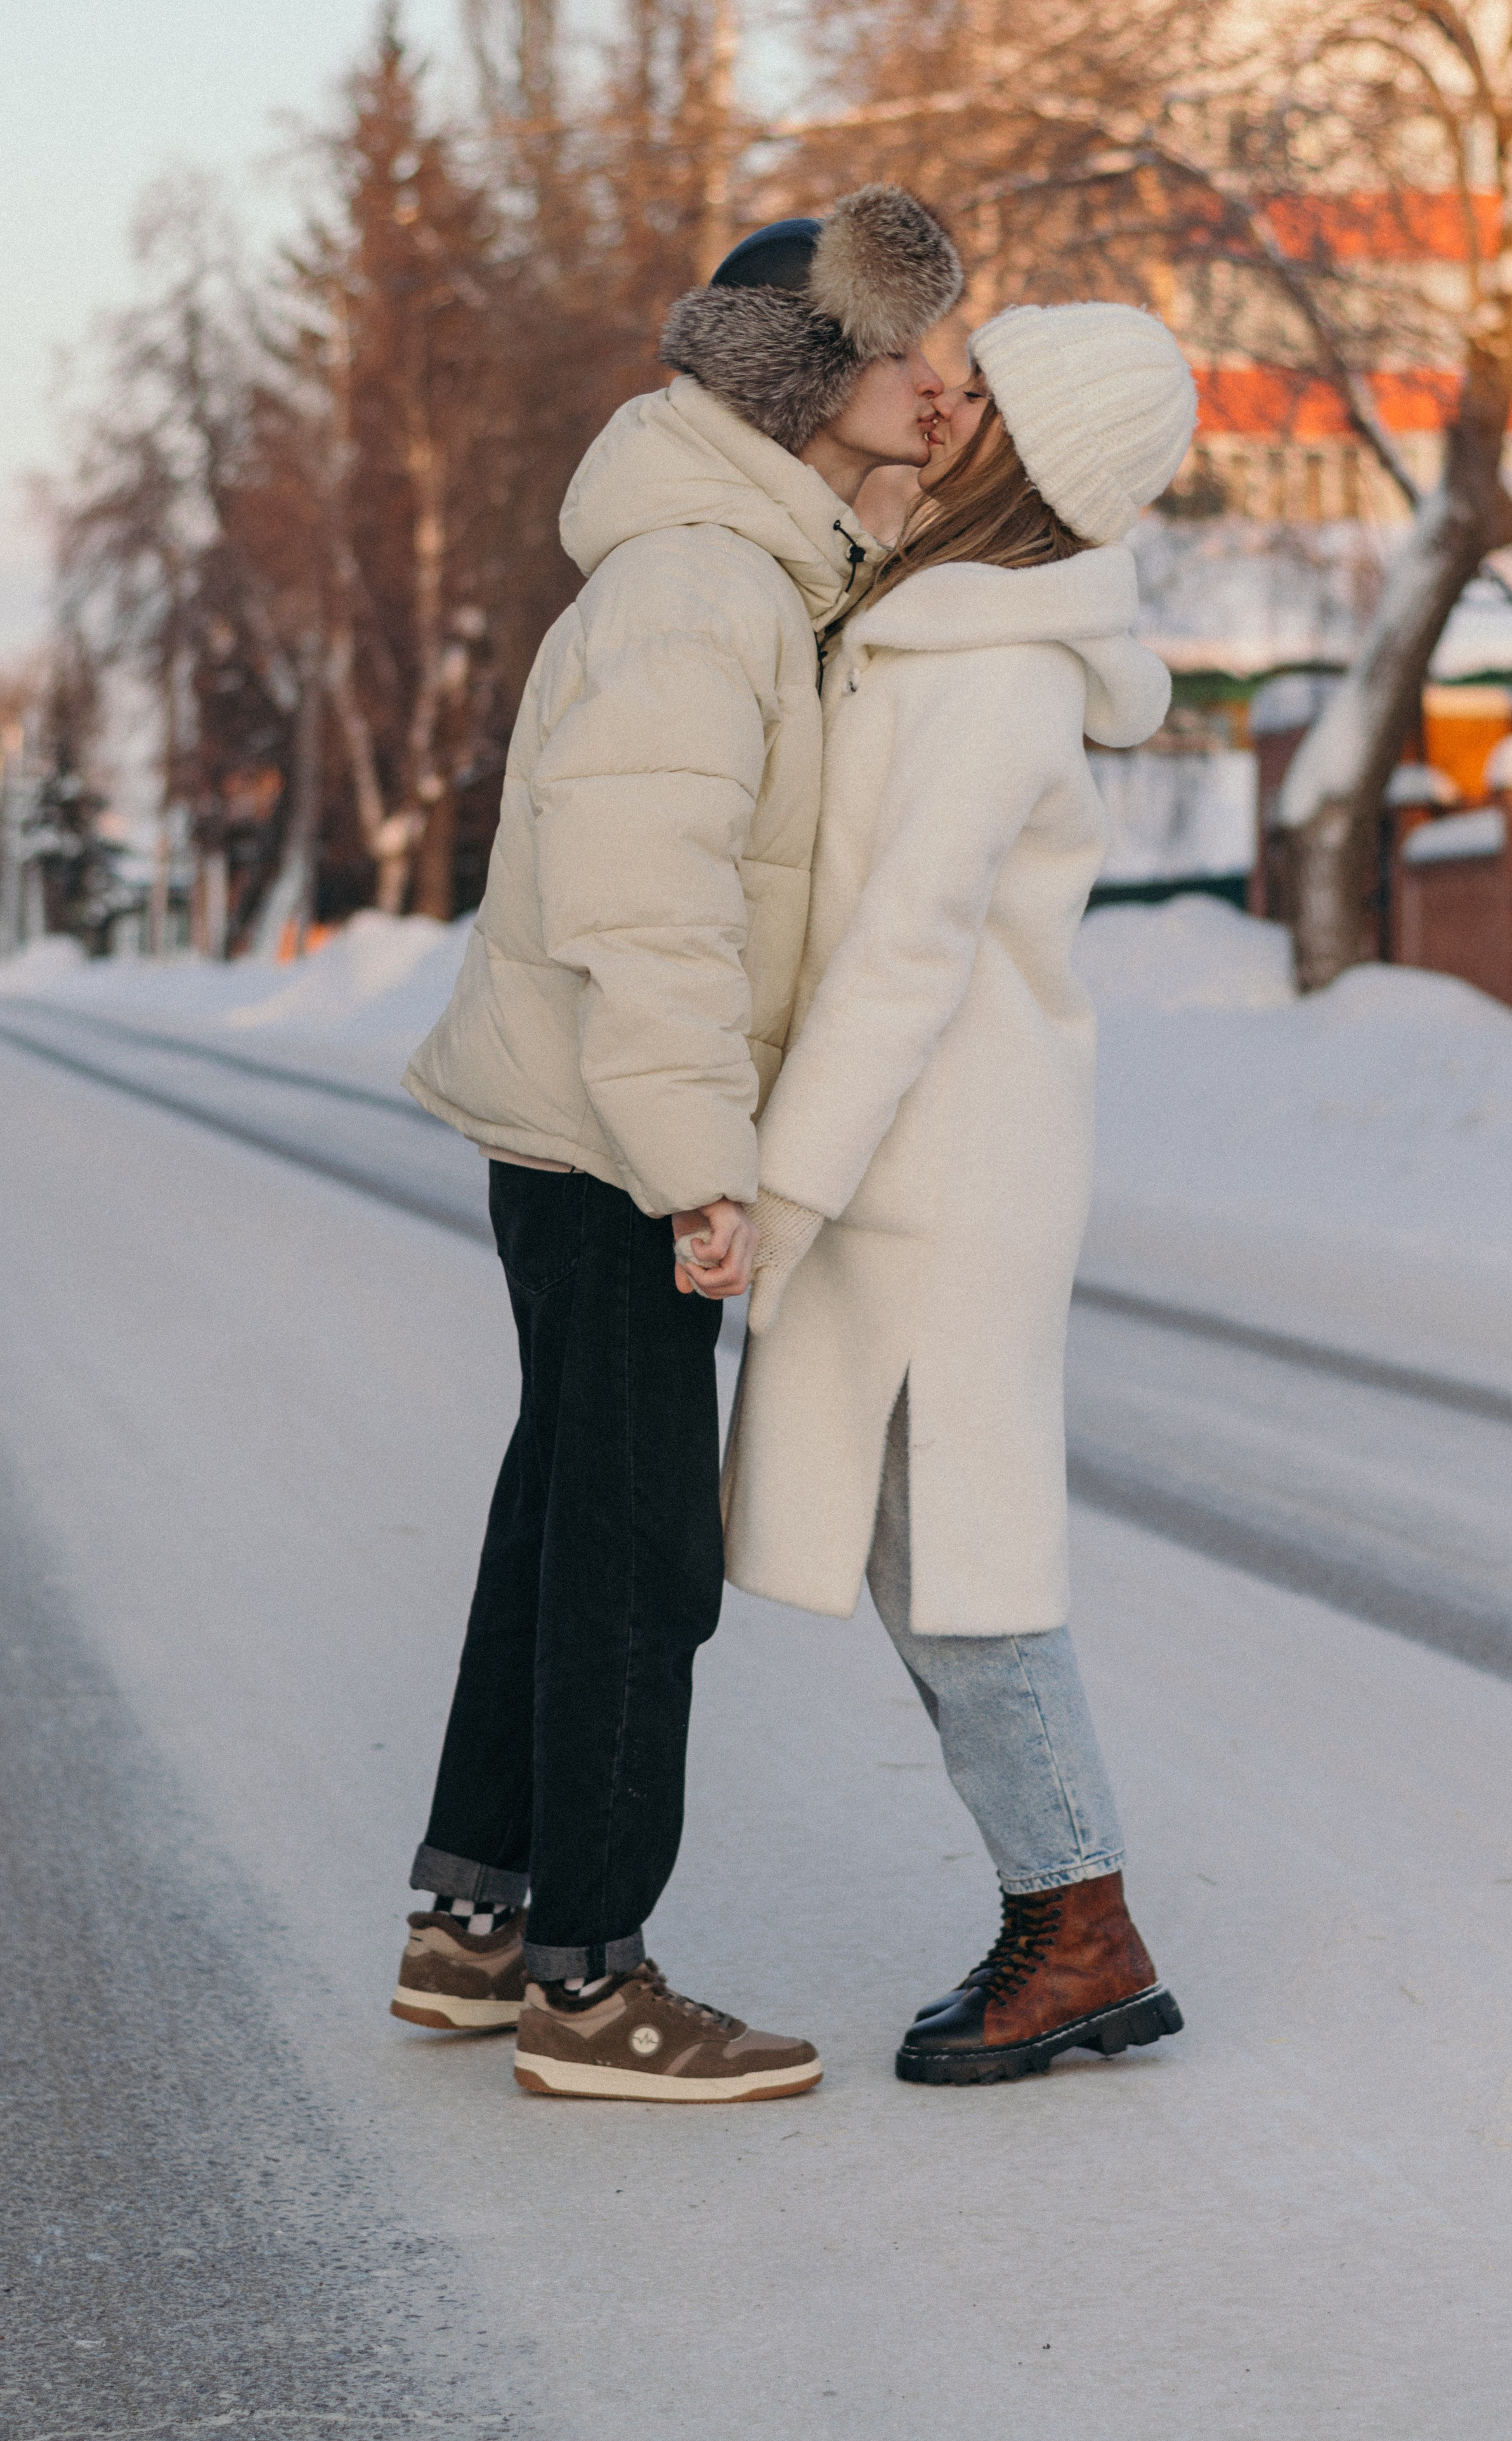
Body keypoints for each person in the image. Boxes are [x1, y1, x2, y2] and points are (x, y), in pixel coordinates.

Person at [389, 188, 963, 2102]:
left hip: (580, 1130)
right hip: (615, 1139)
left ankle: (475, 1922)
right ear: (812, 378)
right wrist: (698, 1163)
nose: (937, 380)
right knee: (639, 1552)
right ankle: (591, 1981)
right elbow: (644, 905)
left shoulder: (744, 555)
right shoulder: (703, 584)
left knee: (563, 1511)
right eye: (906, 347)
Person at [724, 301, 1199, 2085]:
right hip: (920, 1149)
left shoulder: (991, 657)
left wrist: (779, 1188)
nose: (942, 389)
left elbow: (909, 946)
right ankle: (1058, 1904)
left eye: (979, 384)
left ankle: (1080, 1923)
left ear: (1029, 446)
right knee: (925, 1553)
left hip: (944, 1155)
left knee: (969, 1562)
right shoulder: (935, 615)